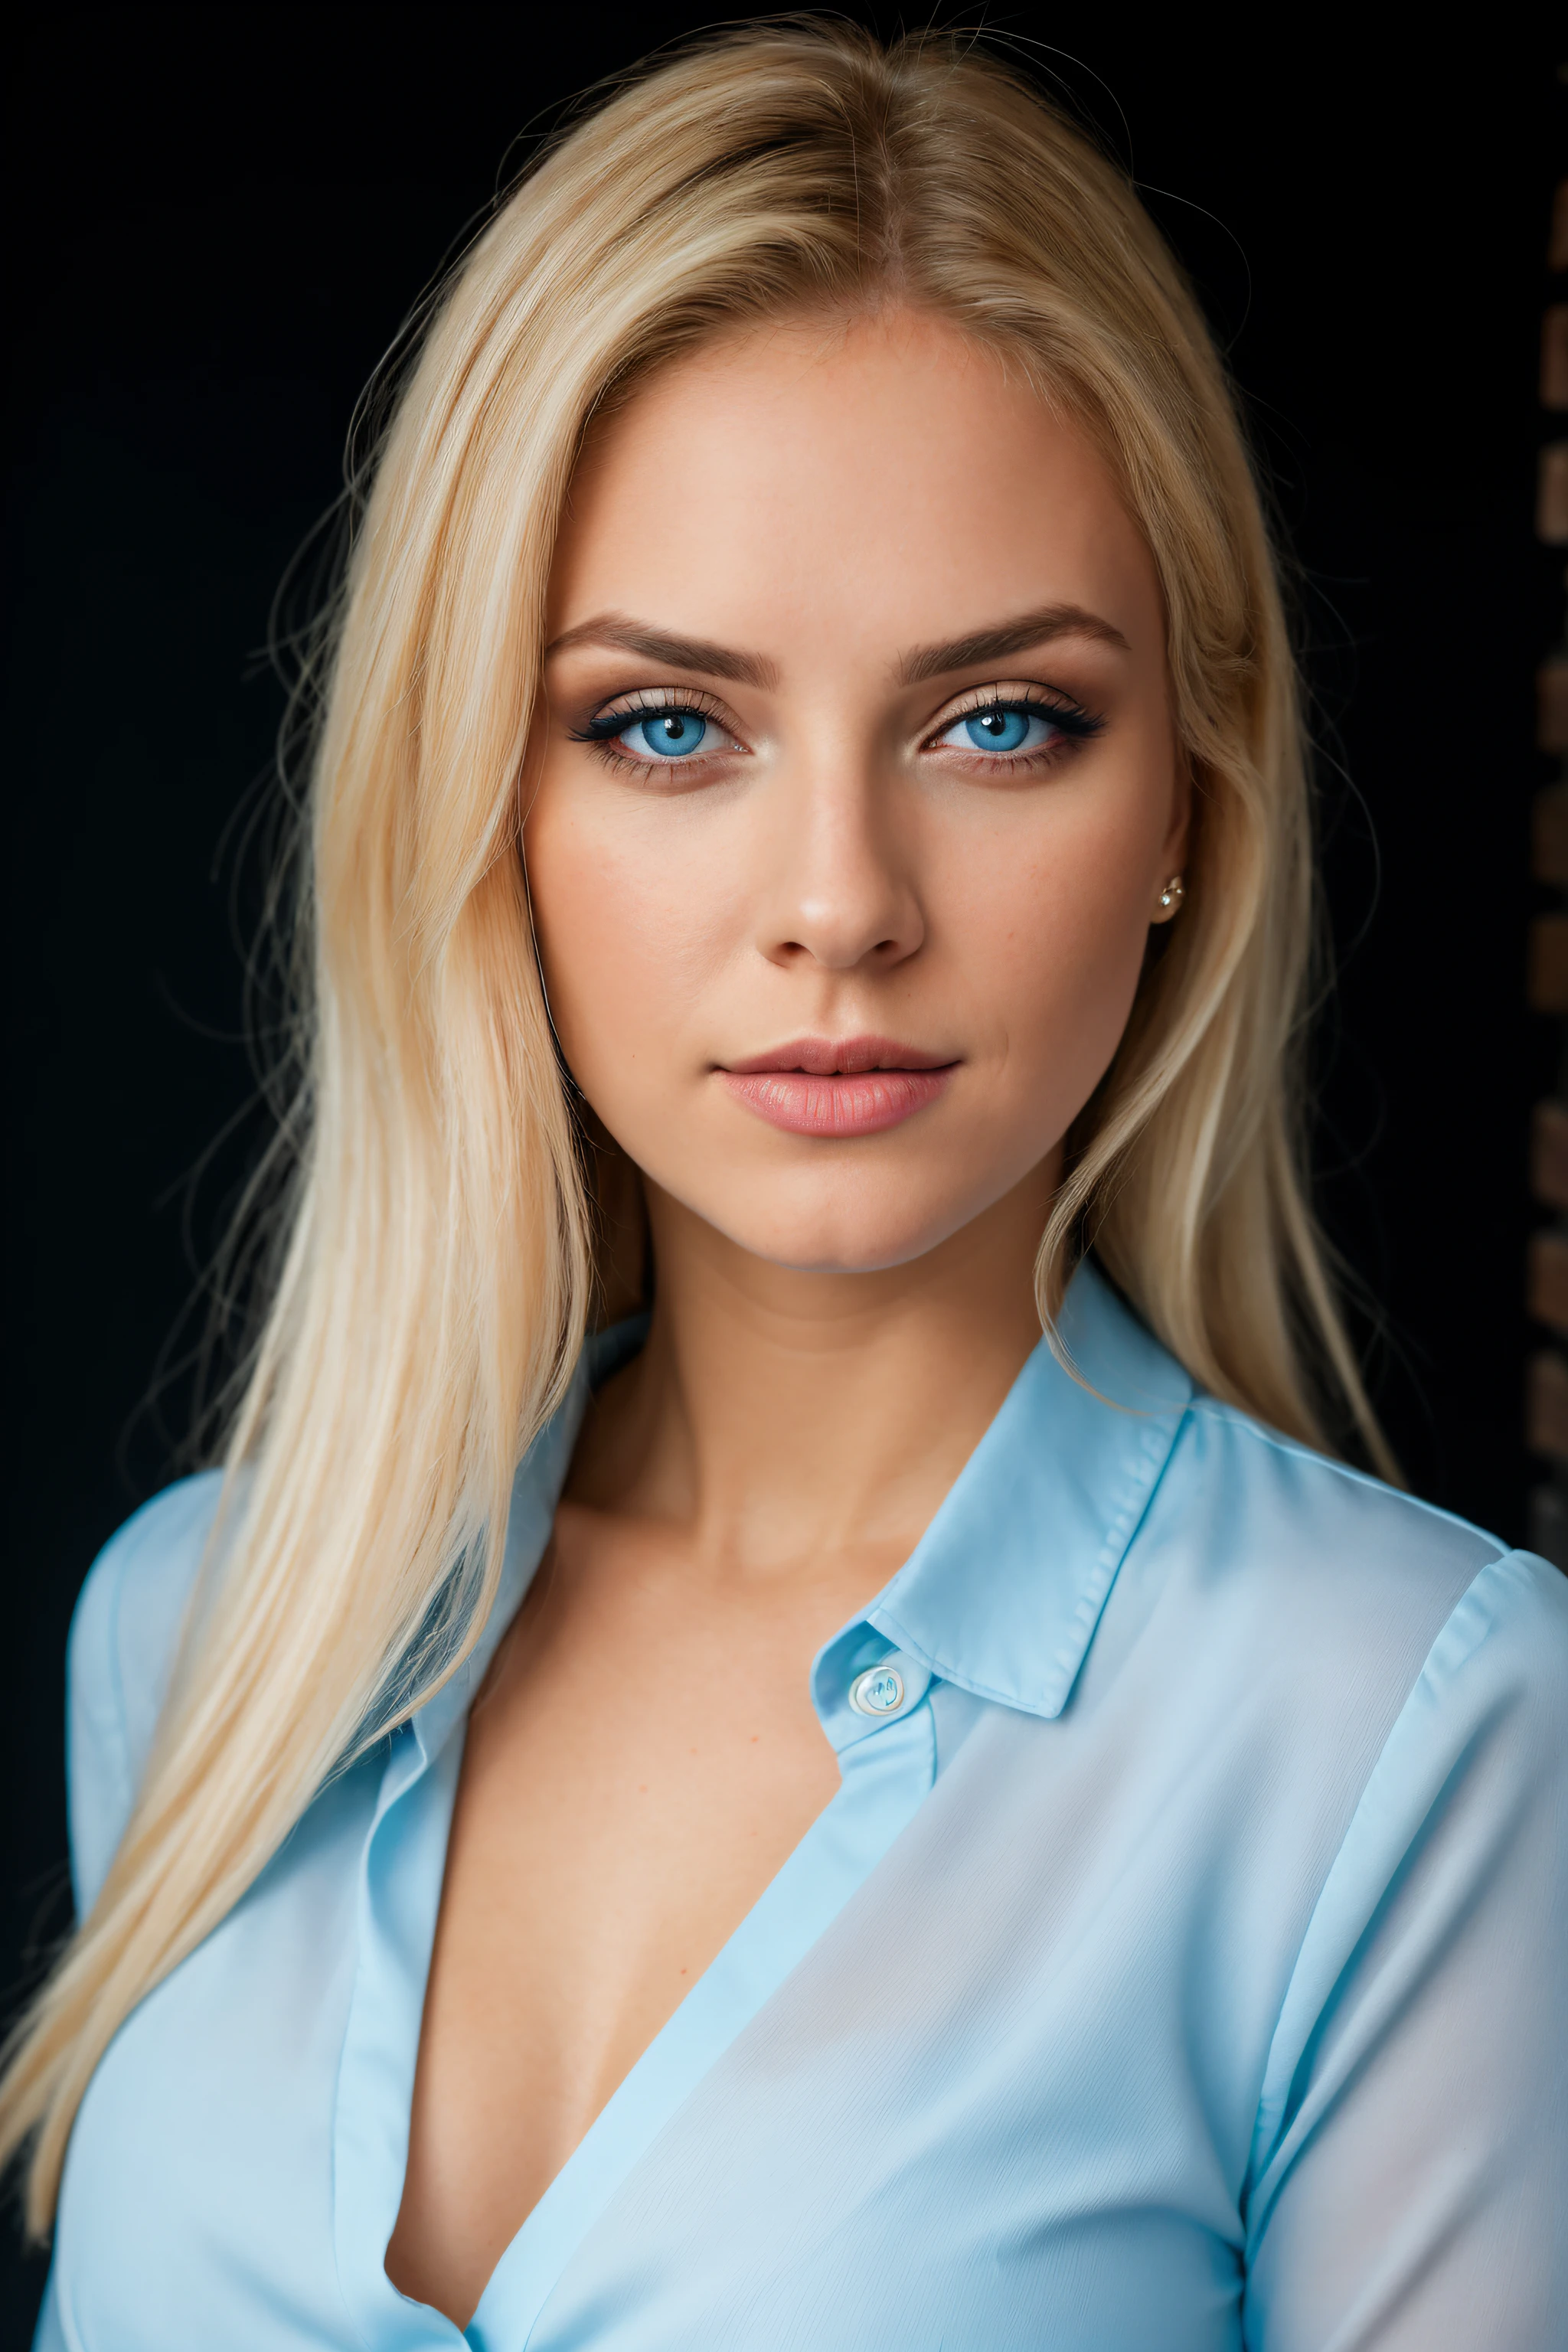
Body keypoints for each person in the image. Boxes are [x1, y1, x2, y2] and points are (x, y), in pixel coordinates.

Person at [4, 21, 1563, 2349]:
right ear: (488, 808)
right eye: (668, 727)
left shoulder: (1408, 1739)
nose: (840, 900)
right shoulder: (205, 1638)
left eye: (999, 722)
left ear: (1182, 819)